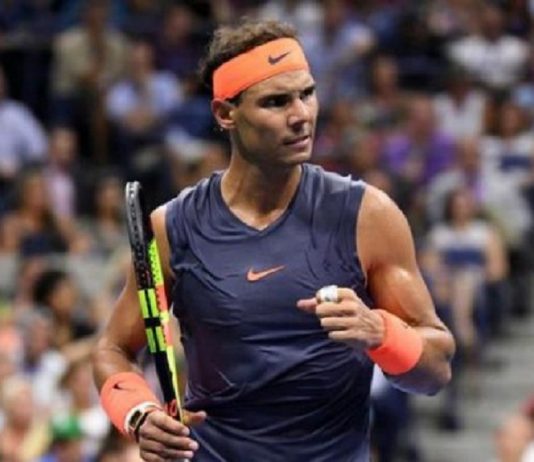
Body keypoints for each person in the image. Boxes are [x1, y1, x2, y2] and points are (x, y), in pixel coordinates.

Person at [92, 19, 455, 461]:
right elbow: (113, 349)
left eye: (307, 93)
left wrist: (382, 332)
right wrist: (139, 414)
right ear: (225, 114)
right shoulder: (173, 228)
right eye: (276, 102)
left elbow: (436, 369)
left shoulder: (369, 216)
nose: (301, 115)